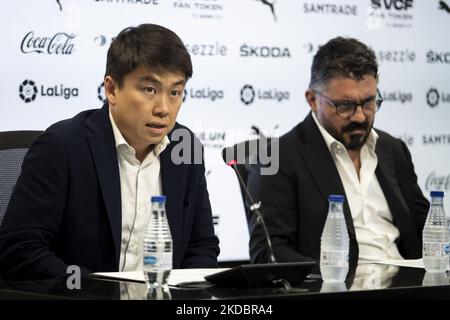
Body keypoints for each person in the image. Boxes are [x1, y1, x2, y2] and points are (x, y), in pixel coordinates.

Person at [0, 24, 219, 280]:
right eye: (150, 89)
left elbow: (201, 246)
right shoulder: (62, 146)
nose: (164, 108)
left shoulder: (185, 147)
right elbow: (20, 250)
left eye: (175, 92)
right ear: (112, 89)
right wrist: (96, 290)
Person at [248, 37, 429, 268]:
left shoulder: (393, 149)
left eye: (369, 103)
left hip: (408, 285)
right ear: (312, 100)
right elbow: (270, 253)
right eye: (345, 106)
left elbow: (425, 228)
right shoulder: (278, 158)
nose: (360, 116)